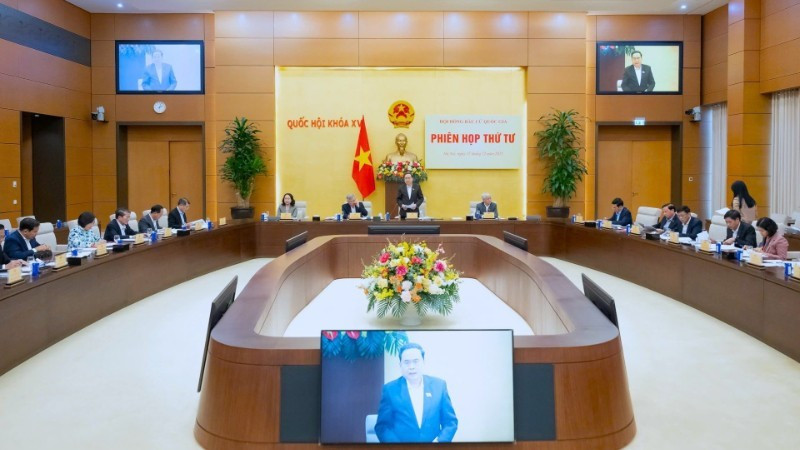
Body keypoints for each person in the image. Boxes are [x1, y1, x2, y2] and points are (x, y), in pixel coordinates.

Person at [375, 343, 458, 443]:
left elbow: (450, 422)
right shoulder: (390, 389)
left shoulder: (439, 386)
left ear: (423, 362)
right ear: (400, 365)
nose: (411, 367)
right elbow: (382, 427)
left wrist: (439, 442)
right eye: (406, 362)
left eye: (416, 361)